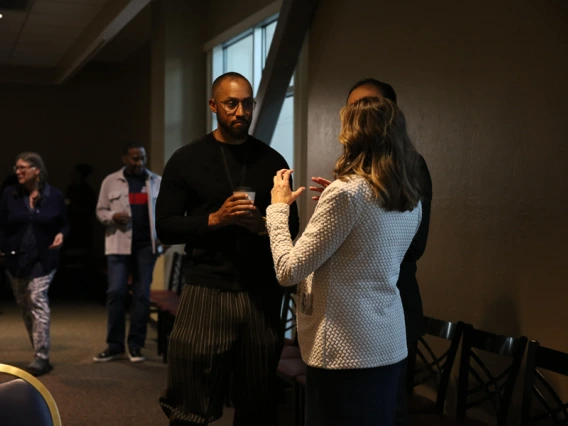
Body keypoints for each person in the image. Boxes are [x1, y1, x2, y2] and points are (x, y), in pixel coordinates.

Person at [266, 96, 424, 426]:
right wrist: (335, 205)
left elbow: (288, 270)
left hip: (343, 351)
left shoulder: (347, 193)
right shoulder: (410, 198)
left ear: (352, 137)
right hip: (388, 344)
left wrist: (278, 209)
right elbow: (369, 251)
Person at [155, 71, 300, 425]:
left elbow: (292, 230)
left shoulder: (272, 161)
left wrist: (262, 226)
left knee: (258, 400)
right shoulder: (186, 159)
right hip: (206, 288)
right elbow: (165, 227)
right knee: (190, 396)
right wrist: (214, 220)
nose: (240, 112)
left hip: (260, 293)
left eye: (247, 104)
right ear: (213, 105)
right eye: (231, 103)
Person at [310, 79, 433, 425]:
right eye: (352, 108)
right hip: (350, 320)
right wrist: (349, 216)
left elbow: (415, 243)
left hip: (389, 308)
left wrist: (361, 221)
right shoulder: (352, 179)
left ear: (390, 113)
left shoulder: (411, 164)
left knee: (385, 412)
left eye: (369, 106)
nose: (359, 115)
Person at [94, 142, 165, 363]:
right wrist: (112, 217)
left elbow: (164, 214)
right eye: (135, 158)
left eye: (142, 158)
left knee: (142, 295)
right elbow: (100, 210)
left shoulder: (155, 181)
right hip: (119, 245)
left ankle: (136, 346)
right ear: (125, 158)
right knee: (116, 292)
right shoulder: (110, 181)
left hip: (146, 246)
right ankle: (114, 345)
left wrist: (165, 240)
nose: (139, 163)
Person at [0, 152, 69, 376]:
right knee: (25, 307)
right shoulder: (9, 195)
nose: (18, 171)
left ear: (36, 170)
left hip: (43, 258)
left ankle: (41, 356)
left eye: (23, 168)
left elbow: (64, 224)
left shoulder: (54, 196)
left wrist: (61, 235)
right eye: (16, 168)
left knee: (37, 299)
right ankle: (39, 352)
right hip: (16, 259)